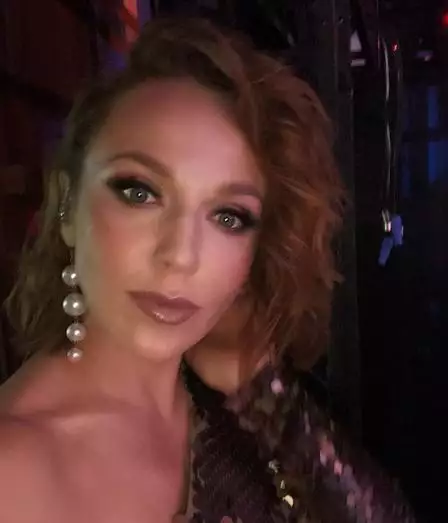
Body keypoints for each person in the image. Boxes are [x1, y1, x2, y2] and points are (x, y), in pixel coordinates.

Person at [0, 17, 416, 523]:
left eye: (228, 217)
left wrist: (263, 392)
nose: (181, 255)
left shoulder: (238, 404)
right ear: (67, 206)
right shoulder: (13, 470)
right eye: (139, 192)